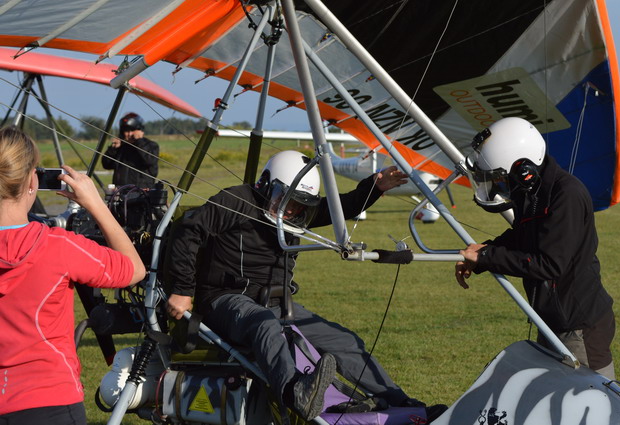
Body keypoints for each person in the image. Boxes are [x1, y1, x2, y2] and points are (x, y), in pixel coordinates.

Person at [166, 150, 447, 422]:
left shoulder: (300, 213)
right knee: (265, 325)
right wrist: (182, 289)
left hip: (277, 303)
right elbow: (187, 231)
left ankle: (404, 405)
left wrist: (374, 187)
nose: (291, 209)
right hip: (225, 300)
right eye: (285, 200)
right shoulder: (236, 200)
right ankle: (295, 392)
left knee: (344, 340)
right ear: (267, 185)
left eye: (299, 204)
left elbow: (341, 207)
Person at [0, 127, 146, 424]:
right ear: (32, 181)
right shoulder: (58, 246)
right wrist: (96, 204)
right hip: (50, 399)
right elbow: (134, 269)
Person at [455, 117, 615, 379]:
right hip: (554, 319)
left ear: (523, 168)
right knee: (552, 393)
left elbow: (549, 264)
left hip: (579, 325)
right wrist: (482, 253)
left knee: (594, 397)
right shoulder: (531, 191)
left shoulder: (566, 195)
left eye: (501, 177)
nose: (501, 184)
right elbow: (523, 236)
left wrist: (486, 256)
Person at [101, 112, 159, 188]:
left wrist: (139, 141)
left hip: (141, 191)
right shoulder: (121, 147)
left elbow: (150, 160)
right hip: (121, 191)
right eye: (126, 131)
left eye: (132, 130)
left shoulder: (150, 145)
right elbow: (106, 164)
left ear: (139, 130)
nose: (129, 134)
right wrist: (113, 149)